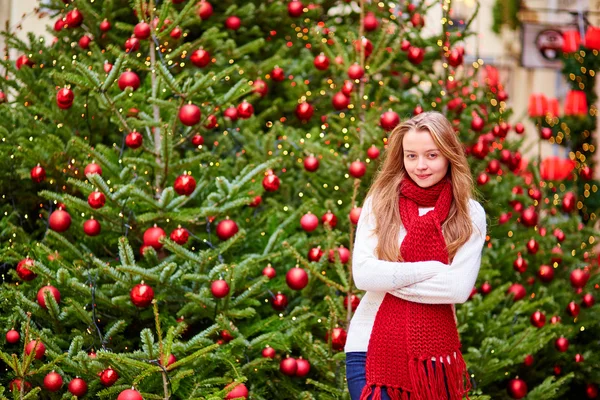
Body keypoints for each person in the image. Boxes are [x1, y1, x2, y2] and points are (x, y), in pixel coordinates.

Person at [345, 111, 487, 400]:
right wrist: (432, 269)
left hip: (434, 363)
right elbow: (363, 275)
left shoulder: (470, 214)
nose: (420, 166)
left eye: (432, 155)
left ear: (449, 156)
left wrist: (389, 276)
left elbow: (456, 289)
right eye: (411, 156)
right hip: (368, 348)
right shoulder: (379, 204)